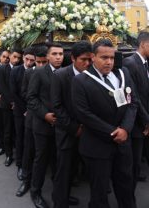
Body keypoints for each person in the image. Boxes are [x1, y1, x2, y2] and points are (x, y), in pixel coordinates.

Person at [72, 39, 137, 208]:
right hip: (97, 146)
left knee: (126, 187)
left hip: (123, 144)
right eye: (104, 57)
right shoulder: (81, 81)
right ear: (93, 57)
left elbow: (132, 104)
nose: (109, 61)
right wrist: (114, 132)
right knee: (99, 192)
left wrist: (125, 130)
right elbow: (84, 114)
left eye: (112, 57)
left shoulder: (123, 74)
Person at [51, 41, 93, 208]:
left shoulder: (91, 74)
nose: (88, 63)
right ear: (73, 58)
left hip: (87, 132)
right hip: (68, 132)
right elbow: (57, 106)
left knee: (76, 169)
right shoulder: (60, 75)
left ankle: (66, 196)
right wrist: (74, 128)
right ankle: (60, 202)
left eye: (90, 59)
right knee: (64, 171)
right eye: (84, 59)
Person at [27, 43, 64, 208]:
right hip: (43, 126)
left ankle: (59, 194)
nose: (58, 57)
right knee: (41, 160)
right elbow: (32, 98)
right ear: (48, 57)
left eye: (61, 54)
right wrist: (45, 115)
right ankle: (35, 192)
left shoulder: (66, 72)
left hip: (62, 127)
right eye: (55, 54)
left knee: (59, 162)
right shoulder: (39, 73)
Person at [16, 46, 48, 197]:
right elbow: (24, 93)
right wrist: (34, 107)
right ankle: (26, 181)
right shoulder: (29, 73)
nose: (41, 65)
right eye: (38, 62)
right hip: (32, 117)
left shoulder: (54, 73)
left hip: (48, 119)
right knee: (29, 150)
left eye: (44, 62)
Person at [123, 32, 149, 194]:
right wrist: (146, 120)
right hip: (139, 125)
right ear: (144, 44)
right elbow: (134, 97)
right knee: (133, 164)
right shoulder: (130, 63)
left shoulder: (146, 63)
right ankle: (128, 198)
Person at [10, 47, 35, 180]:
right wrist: (24, 109)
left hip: (32, 110)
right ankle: (20, 164)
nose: (29, 62)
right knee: (20, 137)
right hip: (20, 111)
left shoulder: (36, 70)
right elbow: (14, 92)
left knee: (30, 139)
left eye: (32, 60)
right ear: (23, 57)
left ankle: (30, 162)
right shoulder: (16, 71)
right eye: (27, 59)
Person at [0, 49, 23, 166]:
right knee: (7, 130)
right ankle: (8, 155)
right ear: (10, 56)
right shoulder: (3, 68)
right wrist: (12, 102)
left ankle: (19, 154)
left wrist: (17, 103)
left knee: (18, 131)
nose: (16, 60)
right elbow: (2, 87)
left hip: (18, 106)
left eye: (19, 58)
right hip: (6, 105)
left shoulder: (21, 69)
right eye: (14, 57)